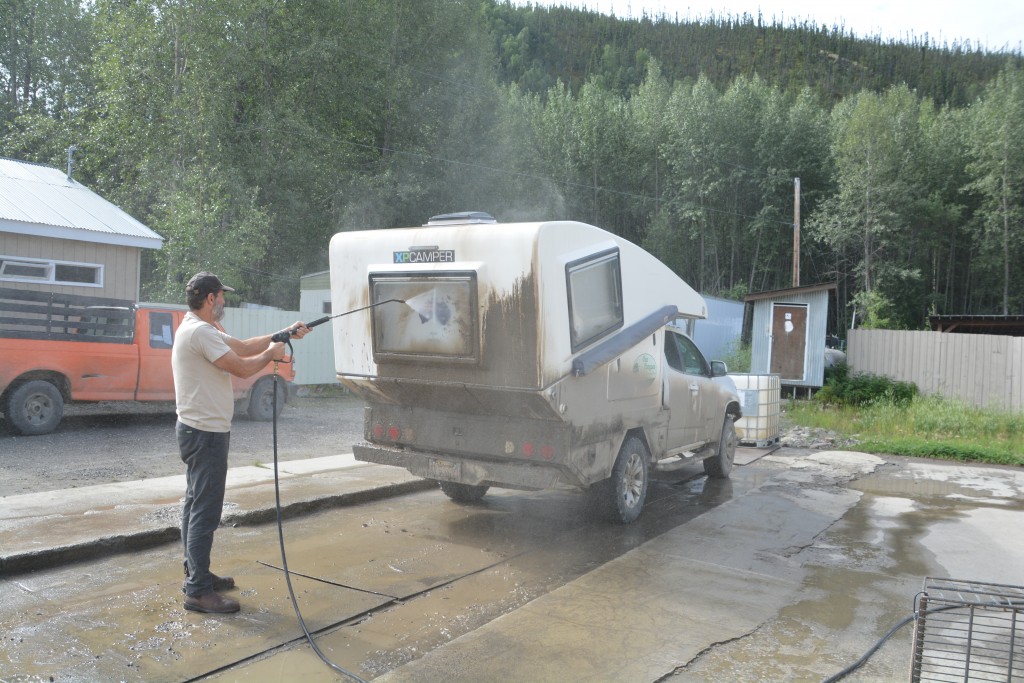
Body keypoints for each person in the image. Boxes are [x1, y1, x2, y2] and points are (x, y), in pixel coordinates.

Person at [172, 271, 309, 614]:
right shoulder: (201, 332)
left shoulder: (199, 327)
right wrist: (272, 355)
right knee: (205, 511)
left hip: (197, 430)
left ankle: (197, 574)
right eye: (222, 296)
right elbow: (244, 367)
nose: (224, 301)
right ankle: (198, 591)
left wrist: (282, 334)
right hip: (205, 433)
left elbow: (245, 346)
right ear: (210, 298)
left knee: (195, 504)